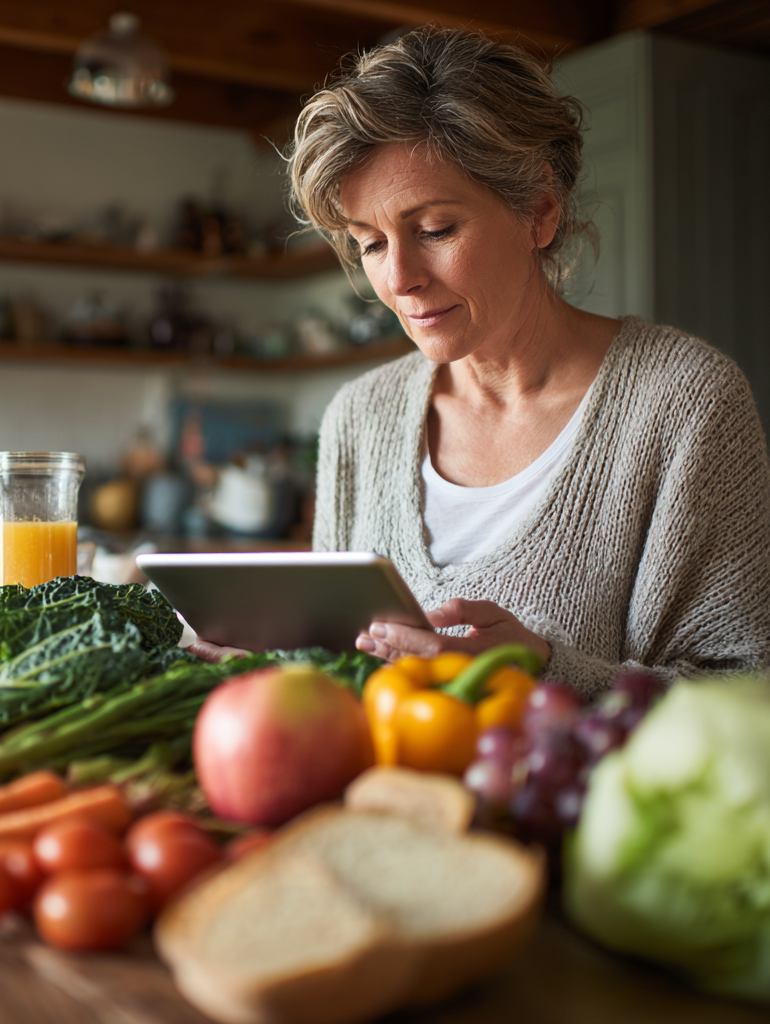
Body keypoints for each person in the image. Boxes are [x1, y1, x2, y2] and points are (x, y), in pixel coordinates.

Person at [286, 27, 770, 697]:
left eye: (434, 231)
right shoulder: (359, 416)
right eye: (370, 243)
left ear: (540, 212)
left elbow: (746, 697)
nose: (398, 279)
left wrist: (547, 668)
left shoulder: (686, 401)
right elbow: (328, 672)